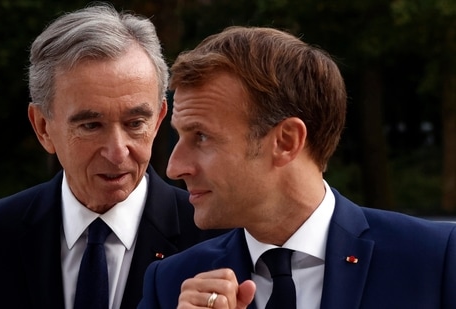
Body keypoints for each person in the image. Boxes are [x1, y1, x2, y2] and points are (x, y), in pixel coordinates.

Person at [137, 26, 456, 309]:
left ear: (286, 141)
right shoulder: (171, 283)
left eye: (202, 137)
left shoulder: (436, 259)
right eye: (180, 136)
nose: (174, 168)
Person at [0, 3, 225, 309]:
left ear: (158, 121)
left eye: (135, 124)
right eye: (91, 125)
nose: (117, 152)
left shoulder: (217, 237)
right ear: (43, 127)